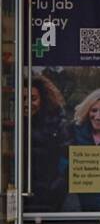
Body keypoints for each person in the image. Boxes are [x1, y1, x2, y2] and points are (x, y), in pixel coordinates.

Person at [27, 72, 71, 213]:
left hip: (48, 194)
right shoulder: (12, 124)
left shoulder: (57, 124)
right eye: (22, 98)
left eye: (33, 99)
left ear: (43, 100)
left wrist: (57, 186)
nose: (26, 104)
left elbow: (66, 156)